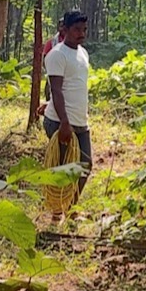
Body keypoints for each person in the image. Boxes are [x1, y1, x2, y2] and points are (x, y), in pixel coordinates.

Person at [43, 11, 91, 193]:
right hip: (60, 121)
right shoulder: (57, 55)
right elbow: (56, 90)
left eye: (84, 29)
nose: (81, 34)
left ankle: (71, 205)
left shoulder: (83, 53)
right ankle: (56, 205)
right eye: (77, 29)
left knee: (85, 165)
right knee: (64, 168)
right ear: (65, 29)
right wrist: (64, 122)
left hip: (80, 121)